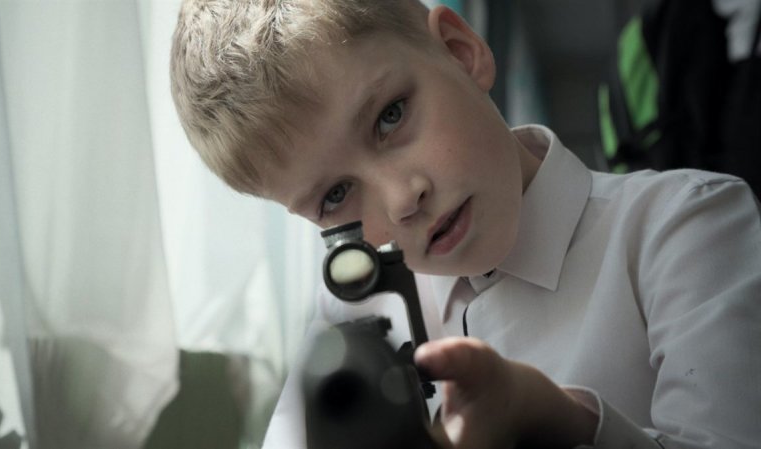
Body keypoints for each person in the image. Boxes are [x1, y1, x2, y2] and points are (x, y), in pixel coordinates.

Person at [169, 1, 761, 448]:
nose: (403, 199)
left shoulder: (689, 222)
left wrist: (566, 423)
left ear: (460, 51)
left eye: (390, 116)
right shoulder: (353, 314)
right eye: (336, 195)